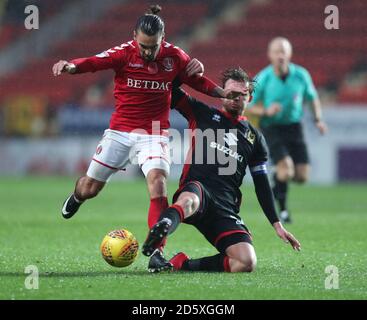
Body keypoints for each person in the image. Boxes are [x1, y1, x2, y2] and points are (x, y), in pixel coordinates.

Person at [52, 5, 228, 270]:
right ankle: (76, 197)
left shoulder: (175, 56)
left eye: (153, 46)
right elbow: (94, 61)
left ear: (163, 38)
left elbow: (197, 80)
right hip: (120, 131)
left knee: (158, 183)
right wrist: (71, 66)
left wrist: (222, 93)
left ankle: (156, 253)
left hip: (154, 132)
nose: (148, 52)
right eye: (144, 46)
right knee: (90, 188)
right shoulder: (124, 53)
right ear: (134, 36)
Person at [142, 67, 301, 273]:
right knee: (189, 200)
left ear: (250, 97)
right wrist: (185, 70)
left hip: (226, 206)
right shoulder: (202, 113)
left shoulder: (255, 139)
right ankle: (160, 233)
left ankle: (182, 263)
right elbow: (169, 88)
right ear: (221, 94)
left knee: (246, 262)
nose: (235, 99)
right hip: (198, 190)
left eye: (241, 95)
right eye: (230, 94)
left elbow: (262, 185)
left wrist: (276, 223)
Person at [245, 37, 328, 223]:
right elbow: (247, 105)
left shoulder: (301, 75)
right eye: (277, 52)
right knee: (286, 170)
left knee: (301, 177)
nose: (280, 55)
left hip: (294, 127)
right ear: (270, 55)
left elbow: (312, 98)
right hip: (271, 127)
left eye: (283, 51)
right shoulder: (264, 77)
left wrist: (318, 119)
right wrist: (266, 110)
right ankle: (283, 212)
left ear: (289, 54)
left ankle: (276, 179)